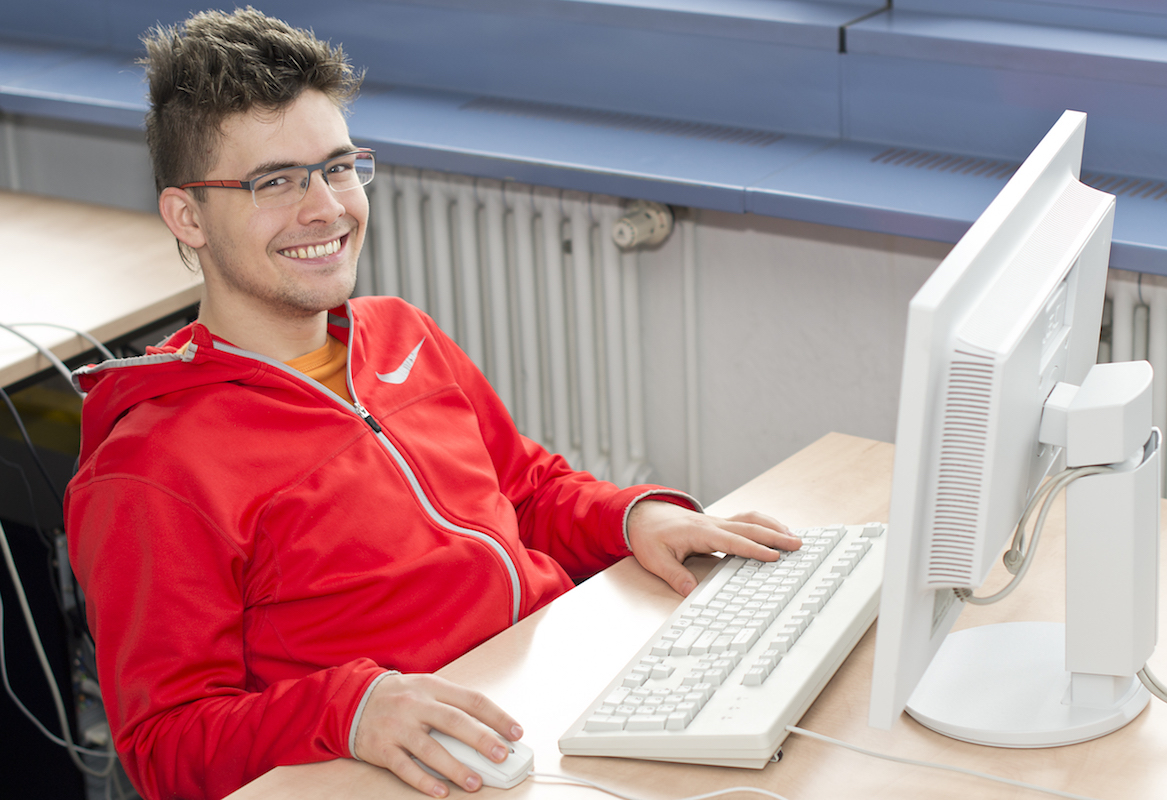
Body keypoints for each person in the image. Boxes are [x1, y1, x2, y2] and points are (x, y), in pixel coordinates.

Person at [64, 8, 798, 800]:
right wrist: (350, 709)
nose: (326, 208)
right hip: (429, 771)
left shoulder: (399, 333)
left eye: (338, 167)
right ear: (188, 217)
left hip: (550, 689)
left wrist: (632, 518)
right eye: (274, 182)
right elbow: (165, 745)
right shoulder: (152, 468)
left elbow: (524, 492)